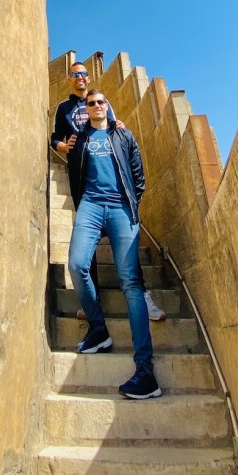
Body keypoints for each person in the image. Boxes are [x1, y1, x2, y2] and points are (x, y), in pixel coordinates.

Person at [50, 62, 166, 321]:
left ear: (89, 78)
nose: (80, 77)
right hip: (83, 180)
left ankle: (143, 298)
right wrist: (64, 148)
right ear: (70, 79)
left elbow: (116, 131)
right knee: (86, 246)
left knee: (128, 246)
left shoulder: (103, 103)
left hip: (112, 180)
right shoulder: (64, 108)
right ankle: (92, 300)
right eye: (75, 74)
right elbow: (54, 138)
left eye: (83, 74)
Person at [67, 88, 161, 399]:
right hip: (91, 206)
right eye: (90, 103)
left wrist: (131, 205)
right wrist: (84, 205)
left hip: (121, 208)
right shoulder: (80, 140)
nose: (96, 106)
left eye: (100, 102)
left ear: (107, 106)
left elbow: (138, 175)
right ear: (86, 109)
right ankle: (98, 329)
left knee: (130, 282)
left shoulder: (124, 135)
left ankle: (145, 371)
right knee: (77, 264)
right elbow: (74, 176)